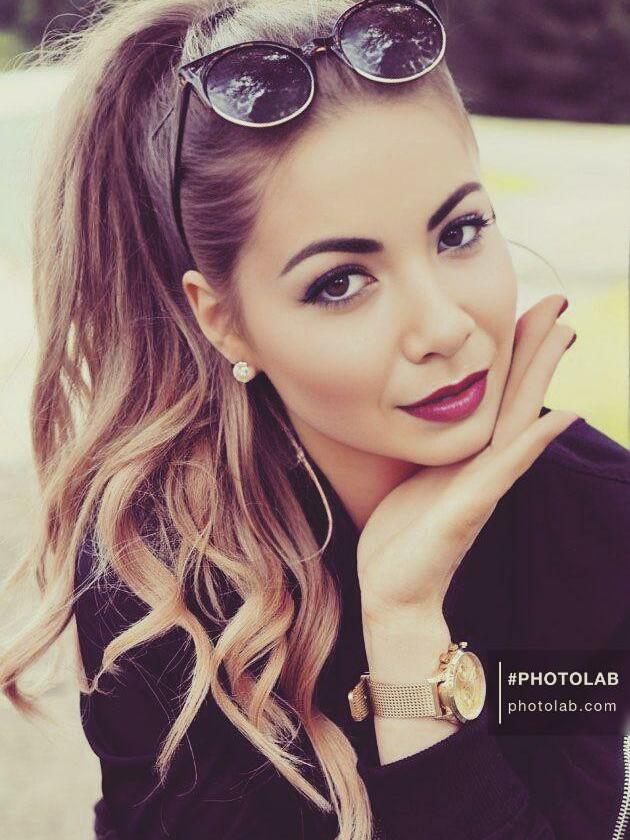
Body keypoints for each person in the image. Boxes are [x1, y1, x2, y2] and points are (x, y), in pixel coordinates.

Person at [0, 1, 628, 838]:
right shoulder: (157, 572)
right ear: (224, 322)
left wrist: (407, 632)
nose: (443, 328)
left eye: (459, 232)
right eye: (340, 282)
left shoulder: (593, 517)